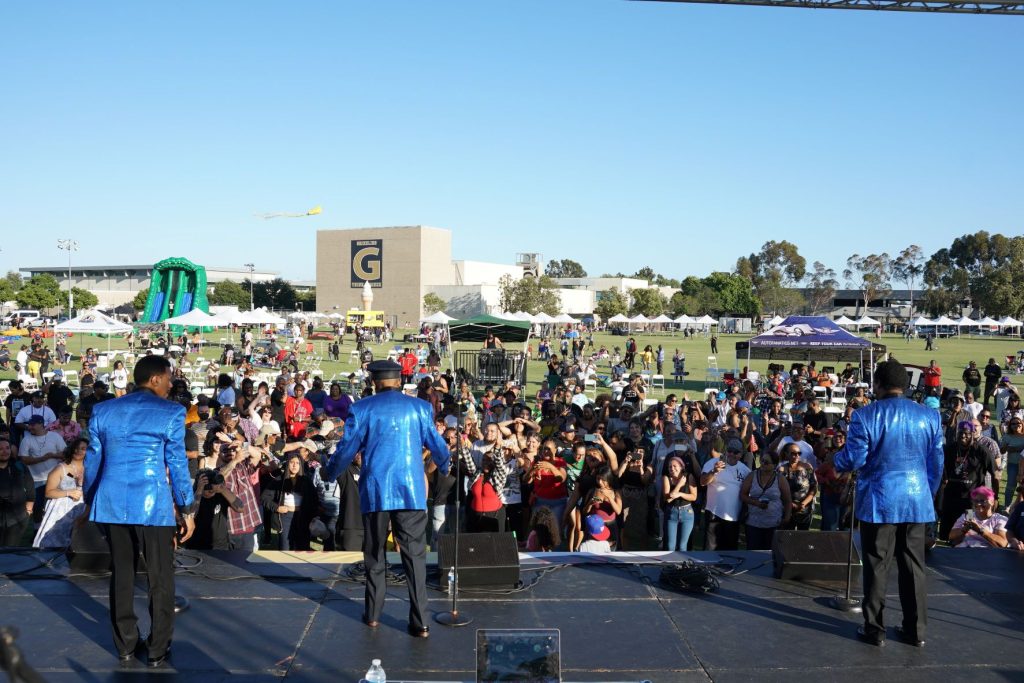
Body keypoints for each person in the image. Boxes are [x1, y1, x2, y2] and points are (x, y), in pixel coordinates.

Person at [322, 360, 450, 638]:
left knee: (375, 553)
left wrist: (330, 472)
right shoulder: (420, 408)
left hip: (377, 490)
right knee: (415, 557)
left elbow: (346, 449)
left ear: (375, 382)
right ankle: (421, 623)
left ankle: (373, 615)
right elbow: (436, 444)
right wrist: (445, 463)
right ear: (398, 381)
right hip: (411, 491)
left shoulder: (362, 408)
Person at [82, 355, 195, 667]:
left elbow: (93, 461)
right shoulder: (173, 412)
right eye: (169, 378)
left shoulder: (103, 410)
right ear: (156, 379)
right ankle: (158, 649)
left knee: (122, 573)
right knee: (160, 577)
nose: (172, 385)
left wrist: (91, 499)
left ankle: (125, 645)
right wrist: (186, 508)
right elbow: (177, 463)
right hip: (153, 505)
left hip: (112, 502)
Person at [834, 360, 943, 648]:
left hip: (879, 501)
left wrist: (836, 461)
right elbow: (937, 462)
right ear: (905, 386)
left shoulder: (865, 415)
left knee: (876, 566)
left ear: (878, 385)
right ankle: (915, 631)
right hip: (917, 499)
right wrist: (926, 492)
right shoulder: (929, 416)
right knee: (914, 566)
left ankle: (874, 630)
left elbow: (855, 459)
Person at [33, 437, 87, 548]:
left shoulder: (91, 468)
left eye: (83, 448)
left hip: (84, 510)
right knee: (55, 544)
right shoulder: (60, 468)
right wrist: (68, 493)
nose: (78, 451)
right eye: (76, 448)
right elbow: (48, 492)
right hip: (61, 511)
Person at [0, 438, 35, 546]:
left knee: (11, 550)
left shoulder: (19, 466)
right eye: (0, 449)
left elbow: (30, 488)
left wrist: (28, 509)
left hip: (17, 516)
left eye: (7, 448)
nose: (5, 451)